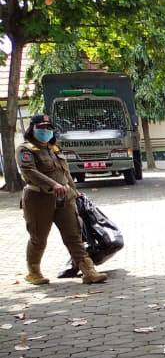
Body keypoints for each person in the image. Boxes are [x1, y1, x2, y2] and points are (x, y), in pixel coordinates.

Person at [18, 114, 107, 285]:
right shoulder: (25, 149)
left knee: (73, 235)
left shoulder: (53, 148)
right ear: (33, 128)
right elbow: (29, 171)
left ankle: (89, 271)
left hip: (64, 199)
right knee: (38, 238)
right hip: (38, 199)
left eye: (48, 128)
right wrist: (53, 184)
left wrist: (75, 192)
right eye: (41, 128)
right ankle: (34, 272)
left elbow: (65, 174)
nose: (45, 131)